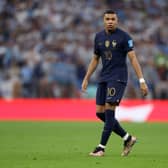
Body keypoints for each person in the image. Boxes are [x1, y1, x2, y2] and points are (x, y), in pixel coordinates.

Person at [81, 9, 148, 157]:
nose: (110, 21)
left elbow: (133, 58)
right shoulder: (98, 37)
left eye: (113, 19)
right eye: (107, 19)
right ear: (103, 21)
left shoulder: (124, 37)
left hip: (118, 78)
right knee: (100, 113)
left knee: (110, 111)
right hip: (104, 77)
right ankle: (128, 138)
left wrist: (141, 81)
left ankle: (101, 148)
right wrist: (86, 77)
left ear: (117, 21)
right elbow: (95, 59)